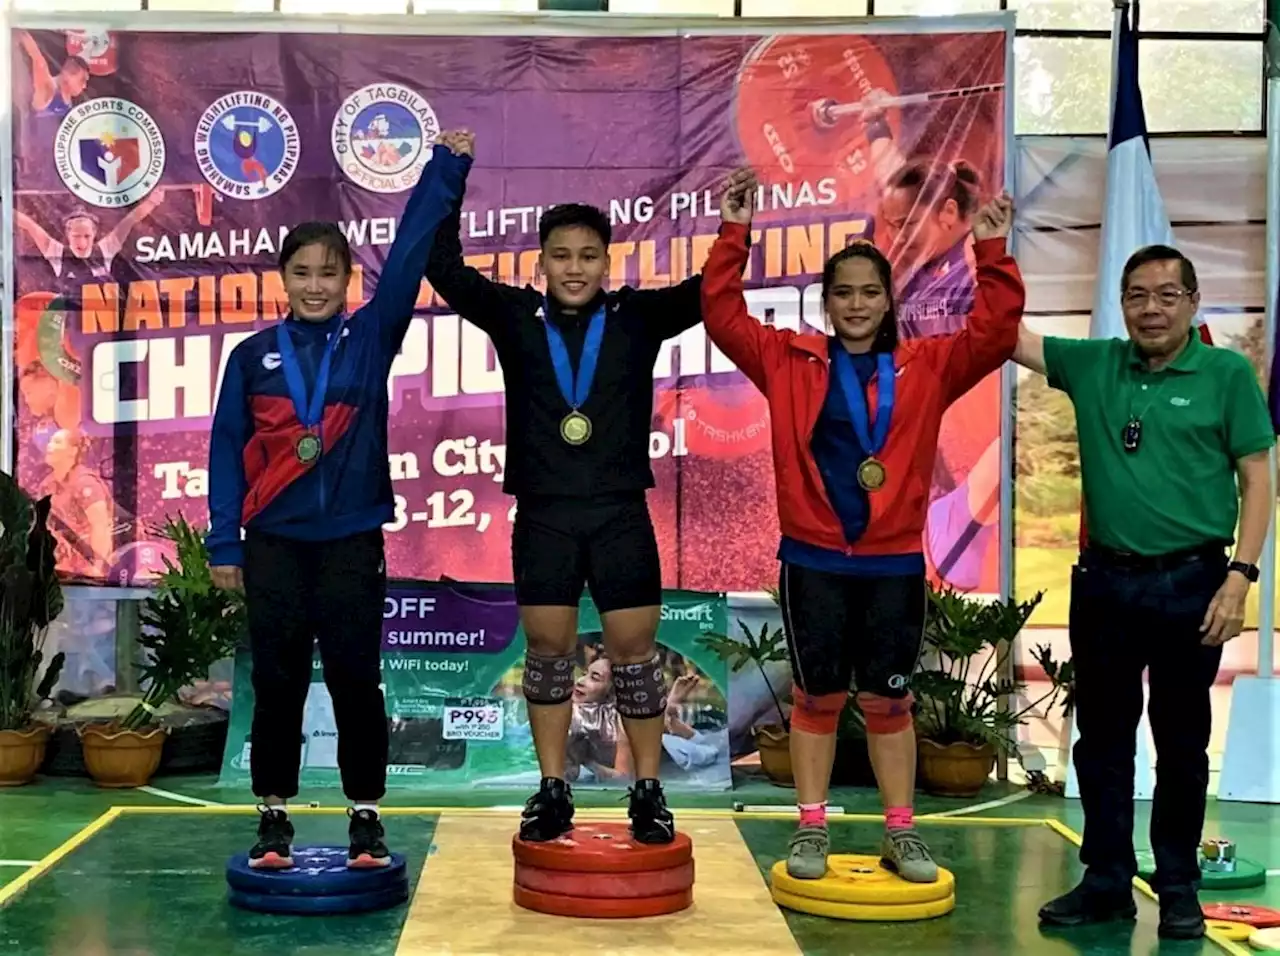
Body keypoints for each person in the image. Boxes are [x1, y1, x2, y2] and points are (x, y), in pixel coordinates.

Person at [701, 166, 1022, 882]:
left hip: (893, 566)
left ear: (888, 300)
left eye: (869, 292)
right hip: (813, 560)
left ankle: (901, 832)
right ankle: (811, 828)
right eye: (842, 292)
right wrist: (733, 233)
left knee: (889, 698)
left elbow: (996, 332)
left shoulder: (928, 365)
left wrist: (992, 250)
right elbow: (722, 315)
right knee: (816, 698)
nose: (856, 304)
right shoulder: (789, 360)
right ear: (825, 302)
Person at [425, 131, 704, 845]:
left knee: (636, 654)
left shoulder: (637, 318)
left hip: (620, 514)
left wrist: (734, 224)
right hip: (544, 515)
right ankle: (553, 789)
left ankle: (648, 790)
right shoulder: (518, 317)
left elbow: (715, 292)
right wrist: (451, 171)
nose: (574, 268)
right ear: (540, 261)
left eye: (588, 256)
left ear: (606, 262)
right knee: (547, 653)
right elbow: (443, 266)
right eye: (561, 256)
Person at [206, 134, 469, 871]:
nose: (316, 285)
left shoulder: (371, 335)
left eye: (329, 273)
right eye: (302, 273)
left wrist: (445, 170)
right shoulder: (251, 355)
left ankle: (365, 815)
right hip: (275, 542)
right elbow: (226, 448)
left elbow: (414, 248)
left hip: (352, 538)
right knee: (279, 679)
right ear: (283, 278)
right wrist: (225, 542)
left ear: (350, 279)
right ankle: (272, 817)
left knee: (356, 678)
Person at [1014, 245, 1273, 940]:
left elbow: (1257, 475)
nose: (1150, 309)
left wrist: (1239, 576)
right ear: (1121, 303)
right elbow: (1007, 335)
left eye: (1166, 295)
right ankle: (1105, 882)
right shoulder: (1095, 364)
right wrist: (986, 247)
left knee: (1183, 745)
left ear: (1191, 303)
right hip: (1104, 583)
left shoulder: (1224, 374)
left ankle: (1179, 886)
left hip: (1194, 582)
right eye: (1136, 295)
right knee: (1101, 743)